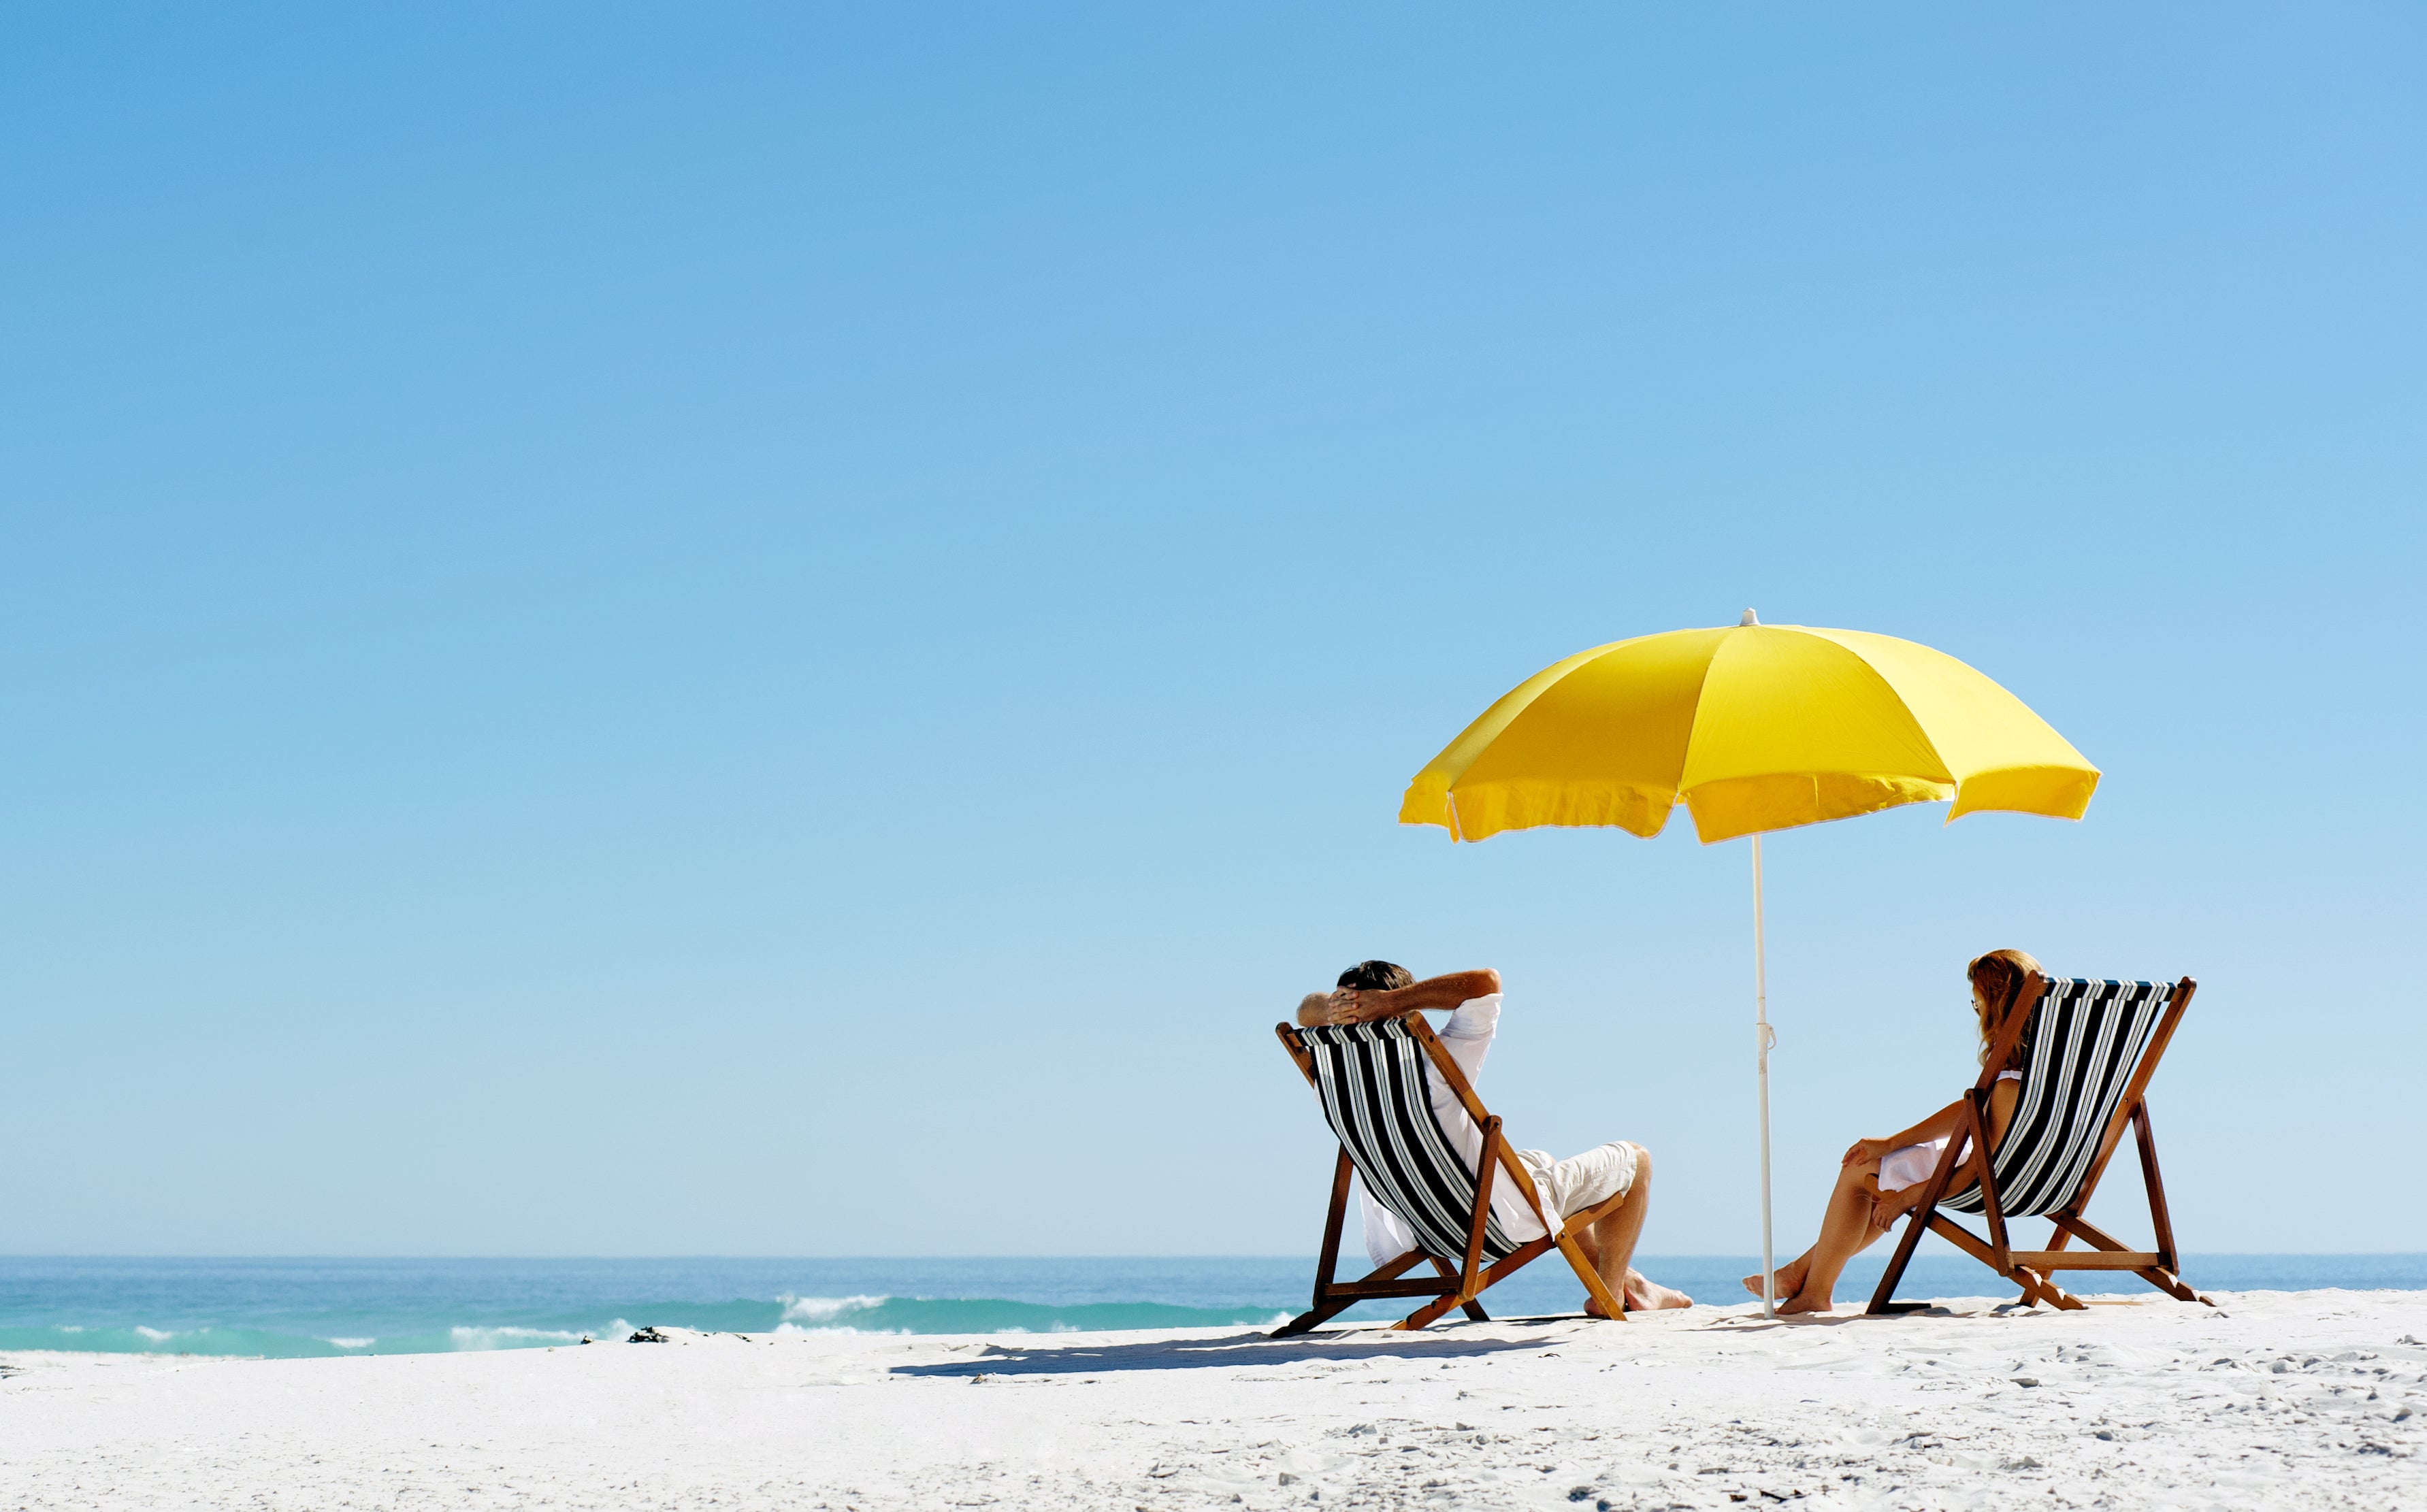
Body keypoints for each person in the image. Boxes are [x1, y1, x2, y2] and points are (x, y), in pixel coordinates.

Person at [1298, 960, 1691, 1315]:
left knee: (1538, 1163)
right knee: (1637, 1159)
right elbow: (1487, 982)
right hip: (1491, 1226)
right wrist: (1394, 1001)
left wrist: (1343, 1007)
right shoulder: (1438, 1062)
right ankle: (1609, 1292)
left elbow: (1303, 1011)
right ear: (1405, 1010)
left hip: (1424, 1228)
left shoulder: (1331, 1076)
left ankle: (1634, 1283)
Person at [1744, 948, 2043, 1315]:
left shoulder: (2011, 1087)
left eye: (1977, 1001)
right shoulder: (2045, 1074)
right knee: (1879, 1164)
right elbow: (1973, 1109)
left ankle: (1814, 1290)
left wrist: (1909, 1196)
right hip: (2043, 1177)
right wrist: (1891, 1143)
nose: (1976, 1010)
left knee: (1859, 1172)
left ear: (1995, 1002)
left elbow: (1980, 1169)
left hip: (1995, 1185)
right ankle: (1801, 1273)